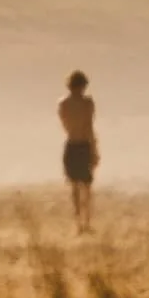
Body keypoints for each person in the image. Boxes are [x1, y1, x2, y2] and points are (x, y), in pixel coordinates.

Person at [58, 71, 98, 233]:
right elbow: (89, 128)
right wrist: (94, 149)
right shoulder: (87, 104)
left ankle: (79, 223)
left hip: (71, 144)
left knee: (75, 187)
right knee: (86, 187)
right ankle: (85, 221)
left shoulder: (63, 104)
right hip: (83, 145)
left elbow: (66, 125)